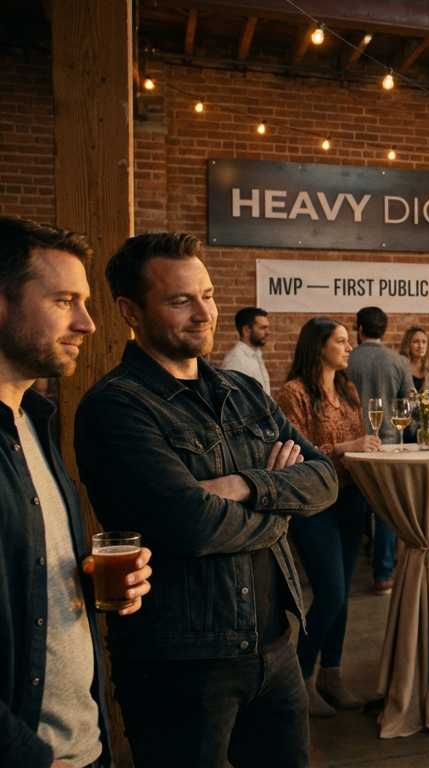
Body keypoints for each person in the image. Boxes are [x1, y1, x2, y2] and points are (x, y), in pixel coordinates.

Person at [74, 231, 337, 768]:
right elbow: (193, 524)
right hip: (181, 666)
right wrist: (281, 511)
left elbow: (325, 478)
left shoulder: (243, 391)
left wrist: (246, 486)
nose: (204, 313)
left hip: (274, 645)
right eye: (181, 301)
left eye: (209, 295)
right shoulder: (116, 407)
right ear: (130, 311)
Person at [0, 216, 152, 768]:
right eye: (64, 301)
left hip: (85, 742)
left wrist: (82, 579)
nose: (87, 323)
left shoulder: (33, 422)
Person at [275, 317, 381, 717]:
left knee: (343, 593)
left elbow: (359, 442)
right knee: (331, 593)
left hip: (351, 498)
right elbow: (293, 453)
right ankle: (300, 679)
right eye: (340, 341)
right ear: (319, 347)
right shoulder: (294, 393)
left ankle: (331, 674)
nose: (349, 347)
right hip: (313, 502)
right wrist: (344, 447)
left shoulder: (347, 389)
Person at [347, 306, 411, 595]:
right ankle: (383, 575)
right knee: (385, 512)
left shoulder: (347, 359)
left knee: (354, 507)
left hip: (353, 445)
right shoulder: (399, 361)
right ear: (383, 330)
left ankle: (348, 571)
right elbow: (406, 405)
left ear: (359, 329)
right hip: (388, 443)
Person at [220, 306, 271, 392]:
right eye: (263, 328)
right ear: (246, 330)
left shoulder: (256, 355)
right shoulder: (236, 359)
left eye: (267, 328)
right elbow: (230, 395)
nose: (268, 332)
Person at [400, 325, 429, 392]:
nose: (420, 346)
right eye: (416, 341)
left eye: (424, 342)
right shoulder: (401, 367)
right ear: (408, 344)